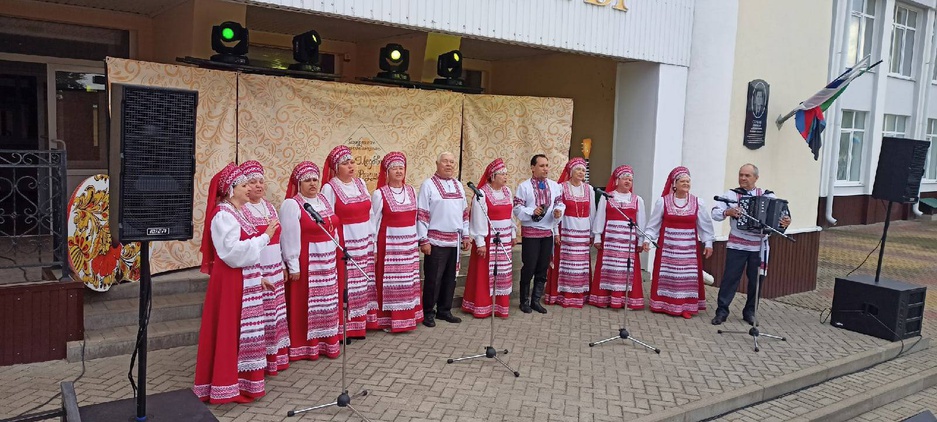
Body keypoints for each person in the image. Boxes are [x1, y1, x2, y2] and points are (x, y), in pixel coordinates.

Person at [194, 163, 279, 404]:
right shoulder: (223, 214)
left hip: (240, 278)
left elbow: (241, 253)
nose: (248, 189)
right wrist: (265, 238)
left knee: (240, 332)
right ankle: (225, 385)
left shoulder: (237, 212)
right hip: (230, 280)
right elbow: (230, 252)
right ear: (232, 190)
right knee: (230, 330)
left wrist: (257, 278)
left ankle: (240, 383)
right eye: (243, 185)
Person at [711, 163, 791, 326]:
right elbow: (715, 213)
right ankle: (721, 311)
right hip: (737, 246)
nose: (743, 178)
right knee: (730, 279)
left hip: (759, 247)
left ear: (756, 178)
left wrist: (785, 221)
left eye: (747, 176)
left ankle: (750, 312)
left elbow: (782, 215)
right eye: (741, 175)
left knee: (756, 281)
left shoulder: (768, 196)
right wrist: (728, 212)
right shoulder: (731, 195)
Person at [279, 161, 343, 361]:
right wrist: (293, 265)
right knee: (306, 304)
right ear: (299, 183)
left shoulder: (323, 199)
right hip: (307, 259)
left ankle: (327, 343)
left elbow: (333, 226)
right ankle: (306, 347)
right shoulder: (292, 204)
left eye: (315, 179)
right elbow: (288, 236)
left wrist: (336, 248)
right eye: (307, 180)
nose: (312, 184)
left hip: (328, 260)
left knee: (327, 303)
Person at [321, 145, 379, 338]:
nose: (351, 166)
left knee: (362, 282)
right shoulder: (330, 187)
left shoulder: (361, 183)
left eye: (352, 162)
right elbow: (328, 218)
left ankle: (361, 324)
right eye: (345, 163)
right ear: (336, 167)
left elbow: (370, 214)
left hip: (364, 240)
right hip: (346, 242)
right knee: (347, 284)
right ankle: (345, 327)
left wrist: (373, 242)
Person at [239, 160, 290, 375]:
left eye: (261, 181)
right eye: (252, 182)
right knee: (261, 315)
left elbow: (280, 238)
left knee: (275, 313)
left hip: (275, 267)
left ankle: (275, 358)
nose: (259, 185)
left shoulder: (269, 206)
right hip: (257, 269)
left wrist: (284, 264)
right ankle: (259, 361)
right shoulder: (241, 210)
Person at [644, 166, 715, 319]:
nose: (686, 184)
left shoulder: (697, 202)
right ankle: (664, 304)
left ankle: (685, 307)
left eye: (688, 181)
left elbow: (705, 225)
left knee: (685, 277)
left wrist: (708, 243)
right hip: (668, 247)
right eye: (682, 181)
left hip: (688, 249)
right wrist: (647, 240)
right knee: (669, 274)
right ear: (674, 184)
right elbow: (653, 224)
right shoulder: (663, 202)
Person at [417, 152, 471, 327]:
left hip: (454, 239)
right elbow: (422, 214)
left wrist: (466, 235)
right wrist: (423, 239)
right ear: (437, 163)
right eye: (445, 162)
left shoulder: (458, 185)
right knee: (434, 278)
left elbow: (464, 213)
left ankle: (444, 310)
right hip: (435, 240)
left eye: (452, 162)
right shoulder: (428, 185)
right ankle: (428, 312)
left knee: (450, 277)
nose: (449, 165)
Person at [370, 152, 423, 332]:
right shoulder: (379, 194)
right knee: (391, 282)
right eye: (394, 168)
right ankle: (388, 320)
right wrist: (374, 247)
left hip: (408, 246)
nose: (399, 171)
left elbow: (416, 218)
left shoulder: (411, 191)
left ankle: (408, 316)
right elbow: (374, 223)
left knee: (409, 281)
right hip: (390, 245)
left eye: (401, 168)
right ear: (387, 172)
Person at [463, 158, 517, 318]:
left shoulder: (508, 192)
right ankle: (482, 306)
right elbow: (478, 219)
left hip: (504, 239)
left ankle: (500, 306)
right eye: (502, 174)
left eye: (506, 174)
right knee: (485, 273)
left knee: (502, 272)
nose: (505, 177)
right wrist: (480, 242)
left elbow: (511, 215)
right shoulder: (482, 194)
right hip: (488, 240)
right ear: (492, 176)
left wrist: (513, 234)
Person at [589, 165, 646, 309]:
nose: (628, 181)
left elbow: (641, 221)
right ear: (617, 180)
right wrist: (597, 236)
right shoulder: (607, 197)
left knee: (626, 270)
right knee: (609, 268)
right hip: (610, 241)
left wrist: (641, 240)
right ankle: (605, 298)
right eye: (625, 178)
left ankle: (625, 300)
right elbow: (600, 217)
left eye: (630, 180)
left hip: (628, 243)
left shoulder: (637, 200)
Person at [513, 154, 565, 314]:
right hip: (531, 233)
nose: (545, 169)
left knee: (543, 267)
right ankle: (524, 301)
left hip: (547, 232)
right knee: (529, 266)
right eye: (542, 166)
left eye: (547, 165)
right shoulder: (524, 186)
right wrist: (531, 211)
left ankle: (536, 300)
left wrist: (558, 211)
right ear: (532, 168)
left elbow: (560, 203)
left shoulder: (555, 186)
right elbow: (516, 208)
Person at [544, 157, 594, 309]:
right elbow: (555, 210)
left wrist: (592, 233)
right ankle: (562, 295)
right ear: (571, 172)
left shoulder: (589, 189)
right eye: (578, 169)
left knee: (580, 264)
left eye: (583, 170)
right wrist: (556, 232)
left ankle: (580, 295)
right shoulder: (561, 187)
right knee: (566, 262)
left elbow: (593, 211)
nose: (581, 172)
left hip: (583, 230)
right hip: (566, 229)